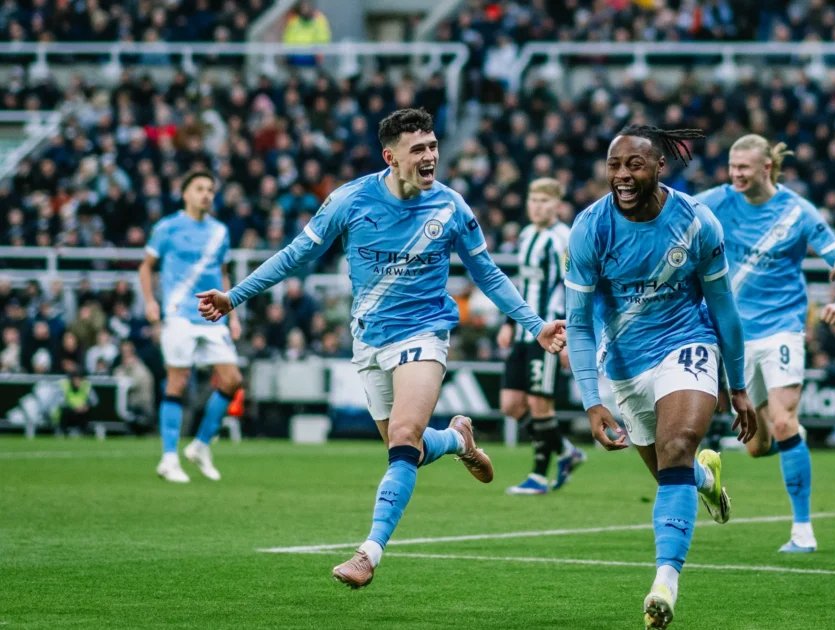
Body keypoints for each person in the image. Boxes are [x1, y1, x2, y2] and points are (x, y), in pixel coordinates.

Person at [195, 108, 566, 589]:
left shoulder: (451, 207)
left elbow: (488, 274)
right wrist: (234, 297)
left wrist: (535, 326)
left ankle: (368, 552)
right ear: (391, 157)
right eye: (418, 149)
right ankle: (457, 441)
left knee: (405, 437)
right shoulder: (349, 200)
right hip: (369, 339)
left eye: (433, 146)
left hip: (424, 333)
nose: (430, 156)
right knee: (405, 448)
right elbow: (294, 255)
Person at [564, 124, 756, 629]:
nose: (622, 175)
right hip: (624, 365)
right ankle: (705, 479)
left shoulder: (696, 222)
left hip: (687, 343)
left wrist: (737, 387)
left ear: (659, 166)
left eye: (635, 164)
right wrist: (592, 400)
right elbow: (578, 324)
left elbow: (724, 308)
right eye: (614, 165)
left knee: (677, 446)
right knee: (673, 472)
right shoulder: (590, 228)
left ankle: (664, 584)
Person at [694, 134, 835, 554]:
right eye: (732, 167)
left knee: (784, 422)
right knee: (757, 446)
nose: (735, 175)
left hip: (782, 328)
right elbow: (670, 212)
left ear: (766, 167)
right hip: (734, 336)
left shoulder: (798, 212)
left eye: (743, 168)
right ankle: (790, 443)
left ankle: (803, 530)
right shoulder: (717, 201)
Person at [139, 170, 243, 483]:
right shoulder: (167, 227)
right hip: (179, 314)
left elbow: (222, 273)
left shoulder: (219, 231)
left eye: (210, 189)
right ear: (185, 193)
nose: (206, 194)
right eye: (199, 188)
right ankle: (169, 458)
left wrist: (233, 314)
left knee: (232, 380)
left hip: (212, 315)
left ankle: (200, 445)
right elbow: (146, 267)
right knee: (178, 381)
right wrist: (149, 301)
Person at [497, 177, 585, 495]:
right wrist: (509, 323)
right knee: (510, 404)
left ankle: (537, 476)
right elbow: (521, 285)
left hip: (549, 333)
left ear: (557, 206)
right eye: (533, 200)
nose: (537, 206)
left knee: (539, 404)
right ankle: (566, 450)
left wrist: (569, 336)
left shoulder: (563, 240)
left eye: (544, 201)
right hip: (524, 332)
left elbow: (575, 287)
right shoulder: (526, 235)